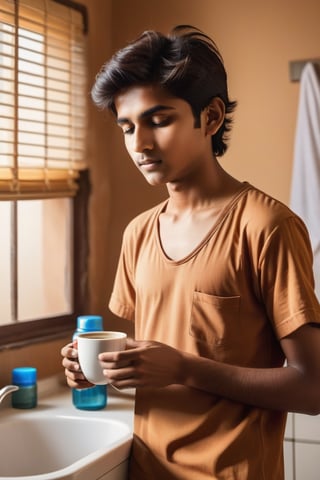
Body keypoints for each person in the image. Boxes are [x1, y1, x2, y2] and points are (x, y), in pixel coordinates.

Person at [61, 25, 320, 480]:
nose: (139, 144)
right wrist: (94, 369)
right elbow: (156, 359)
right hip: (146, 469)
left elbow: (314, 388)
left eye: (158, 120)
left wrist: (184, 367)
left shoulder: (268, 228)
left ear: (212, 117)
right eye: (127, 127)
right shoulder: (138, 233)